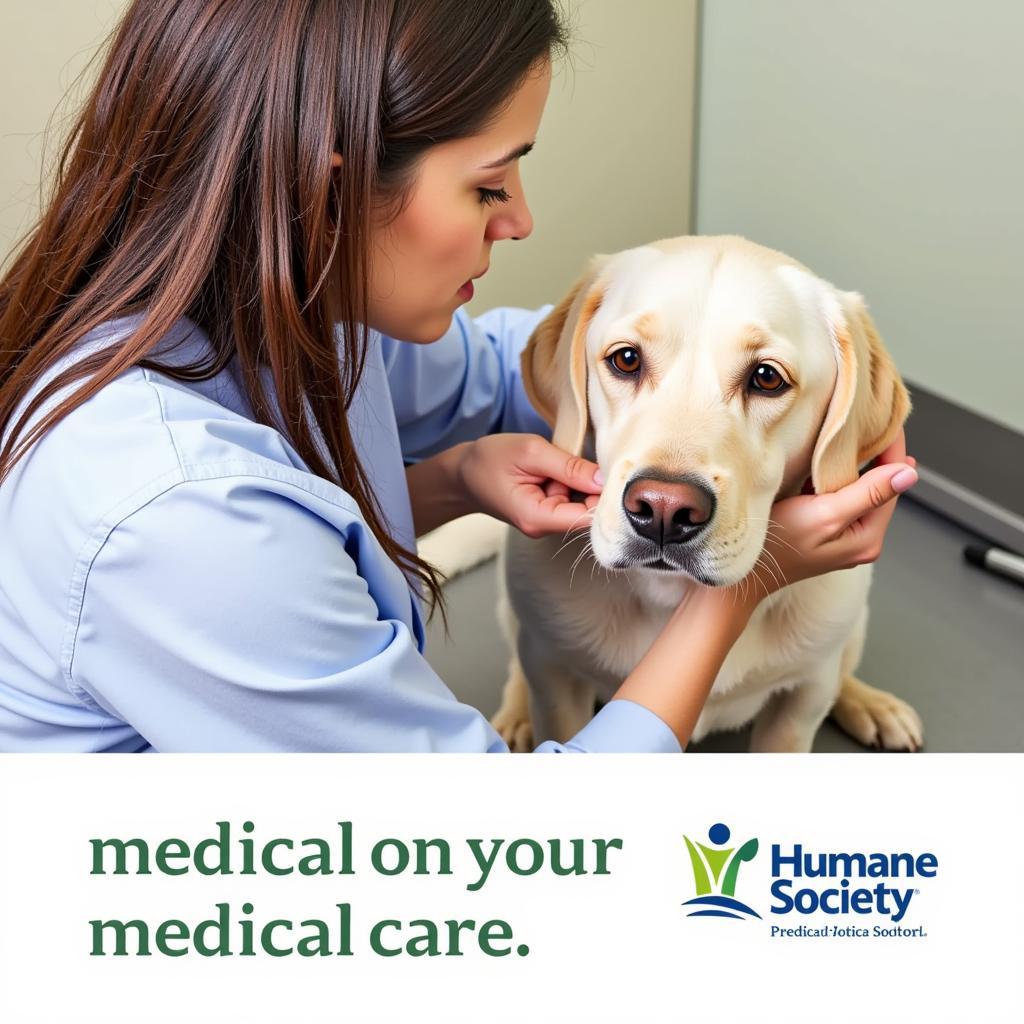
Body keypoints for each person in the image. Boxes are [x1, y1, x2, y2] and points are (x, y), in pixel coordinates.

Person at [0, 0, 917, 753]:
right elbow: (502, 851)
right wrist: (747, 586)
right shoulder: (173, 522)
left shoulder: (296, 321)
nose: (519, 220)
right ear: (328, 190)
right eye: (490, 184)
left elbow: (509, 364)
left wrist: (829, 386)